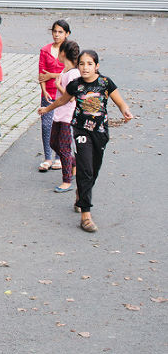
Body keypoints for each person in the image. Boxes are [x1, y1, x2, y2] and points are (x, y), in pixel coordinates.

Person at [39, 50, 133, 233]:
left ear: (96, 66)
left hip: (100, 132)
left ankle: (80, 194)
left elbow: (119, 102)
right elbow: (62, 101)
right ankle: (86, 215)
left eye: (89, 64)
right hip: (81, 131)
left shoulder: (105, 83)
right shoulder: (75, 85)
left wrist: (125, 111)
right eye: (82, 64)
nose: (85, 67)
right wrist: (46, 109)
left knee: (94, 170)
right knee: (85, 169)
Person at [38, 19, 71, 172]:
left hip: (64, 94)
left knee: (61, 126)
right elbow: (41, 73)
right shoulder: (45, 50)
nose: (57, 35)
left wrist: (51, 75)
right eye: (55, 31)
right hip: (48, 93)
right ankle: (47, 157)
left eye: (60, 32)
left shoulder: (69, 50)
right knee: (46, 125)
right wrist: (44, 90)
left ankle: (59, 157)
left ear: (67, 34)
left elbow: (70, 72)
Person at [49, 41, 80, 193]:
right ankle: (74, 163)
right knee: (54, 143)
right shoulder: (65, 71)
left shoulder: (74, 73)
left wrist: (58, 86)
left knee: (64, 147)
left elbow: (72, 97)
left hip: (68, 116)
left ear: (63, 53)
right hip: (59, 114)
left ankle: (67, 181)